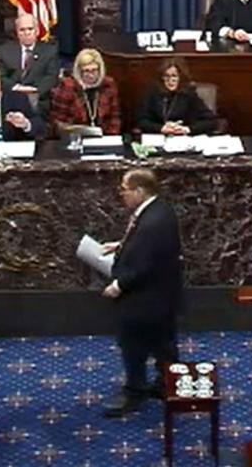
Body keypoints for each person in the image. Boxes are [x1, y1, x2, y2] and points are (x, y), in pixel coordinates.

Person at [100, 169, 184, 417]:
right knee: (163, 343)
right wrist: (121, 245)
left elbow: (144, 265)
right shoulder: (159, 210)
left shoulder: (152, 222)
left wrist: (117, 286)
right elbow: (149, 247)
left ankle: (135, 391)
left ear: (139, 191)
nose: (122, 195)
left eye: (124, 190)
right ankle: (167, 382)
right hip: (164, 295)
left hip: (146, 299)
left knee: (133, 344)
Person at [0, 12, 60, 116]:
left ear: (37, 31)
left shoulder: (49, 51)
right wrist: (16, 88)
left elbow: (51, 76)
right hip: (12, 97)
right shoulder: (4, 51)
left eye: (30, 29)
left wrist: (34, 91)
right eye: (22, 30)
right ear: (17, 32)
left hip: (39, 99)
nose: (27, 33)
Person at [49, 47, 122, 135]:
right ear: (79, 71)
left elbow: (114, 117)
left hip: (104, 137)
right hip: (75, 137)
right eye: (86, 71)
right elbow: (58, 122)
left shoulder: (108, 85)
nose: (91, 75)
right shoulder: (67, 86)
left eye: (94, 70)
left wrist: (111, 137)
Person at [136, 58, 217, 136]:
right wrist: (161, 128)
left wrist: (187, 129)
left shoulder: (189, 95)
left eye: (174, 76)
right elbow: (142, 121)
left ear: (180, 77)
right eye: (166, 76)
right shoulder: (153, 93)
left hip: (183, 139)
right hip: (159, 138)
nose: (170, 80)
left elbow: (210, 121)